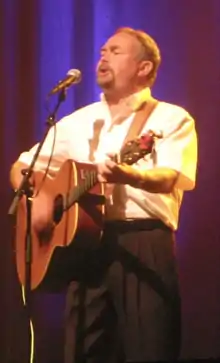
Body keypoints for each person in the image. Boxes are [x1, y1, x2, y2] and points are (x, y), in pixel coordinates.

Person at [10, 27, 197, 363]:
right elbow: (22, 166)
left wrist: (130, 175)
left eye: (115, 51)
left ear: (144, 68)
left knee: (150, 346)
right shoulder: (78, 121)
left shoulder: (170, 118)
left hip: (143, 242)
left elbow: (170, 177)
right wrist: (37, 197)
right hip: (85, 246)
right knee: (83, 350)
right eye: (101, 52)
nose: (103, 57)